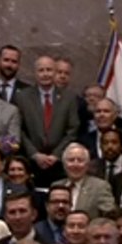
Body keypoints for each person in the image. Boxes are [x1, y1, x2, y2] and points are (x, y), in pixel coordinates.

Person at [16, 55, 78, 185]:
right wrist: (35, 154)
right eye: (41, 70)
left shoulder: (69, 98)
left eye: (49, 70)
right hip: (31, 162)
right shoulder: (22, 97)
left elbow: (72, 129)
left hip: (59, 164)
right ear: (35, 73)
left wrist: (56, 155)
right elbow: (18, 129)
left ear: (55, 72)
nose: (45, 74)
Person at [53, 143, 115, 217]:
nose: (75, 165)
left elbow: (110, 217)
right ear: (64, 164)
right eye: (71, 160)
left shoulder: (100, 187)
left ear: (87, 165)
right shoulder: (56, 186)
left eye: (80, 160)